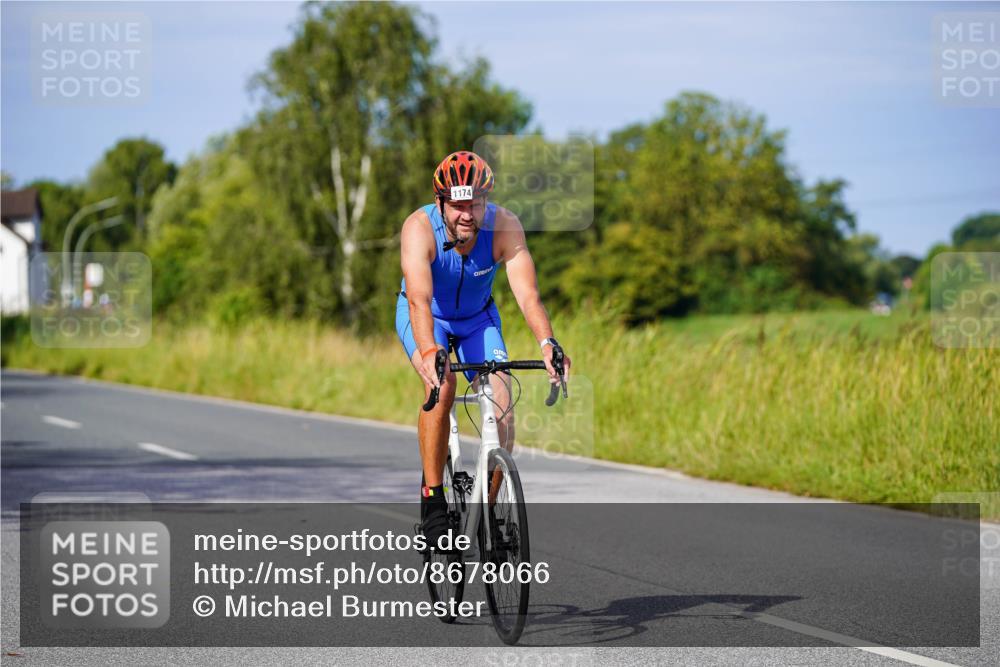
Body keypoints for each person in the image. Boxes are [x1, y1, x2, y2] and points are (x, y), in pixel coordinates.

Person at [396, 150, 571, 549]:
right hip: (428, 316)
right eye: (457, 205)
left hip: (478, 320)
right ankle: (434, 501)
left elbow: (528, 295)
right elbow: (419, 299)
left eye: (475, 204)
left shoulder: (504, 225)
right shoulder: (418, 228)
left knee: (503, 407)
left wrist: (548, 343)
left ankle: (487, 510)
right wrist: (429, 351)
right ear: (440, 202)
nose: (467, 214)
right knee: (441, 386)